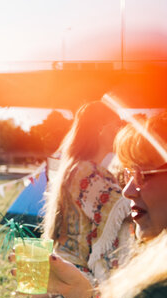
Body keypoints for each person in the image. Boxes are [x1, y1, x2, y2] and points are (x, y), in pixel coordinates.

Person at [36, 108, 167, 298]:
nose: (128, 190)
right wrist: (78, 291)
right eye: (129, 174)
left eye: (143, 174)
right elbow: (114, 206)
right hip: (78, 263)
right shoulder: (85, 169)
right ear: (100, 129)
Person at [42, 101, 131, 284]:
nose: (120, 131)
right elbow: (122, 206)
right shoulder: (86, 171)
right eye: (117, 125)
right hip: (77, 270)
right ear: (100, 128)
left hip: (69, 263)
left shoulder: (81, 167)